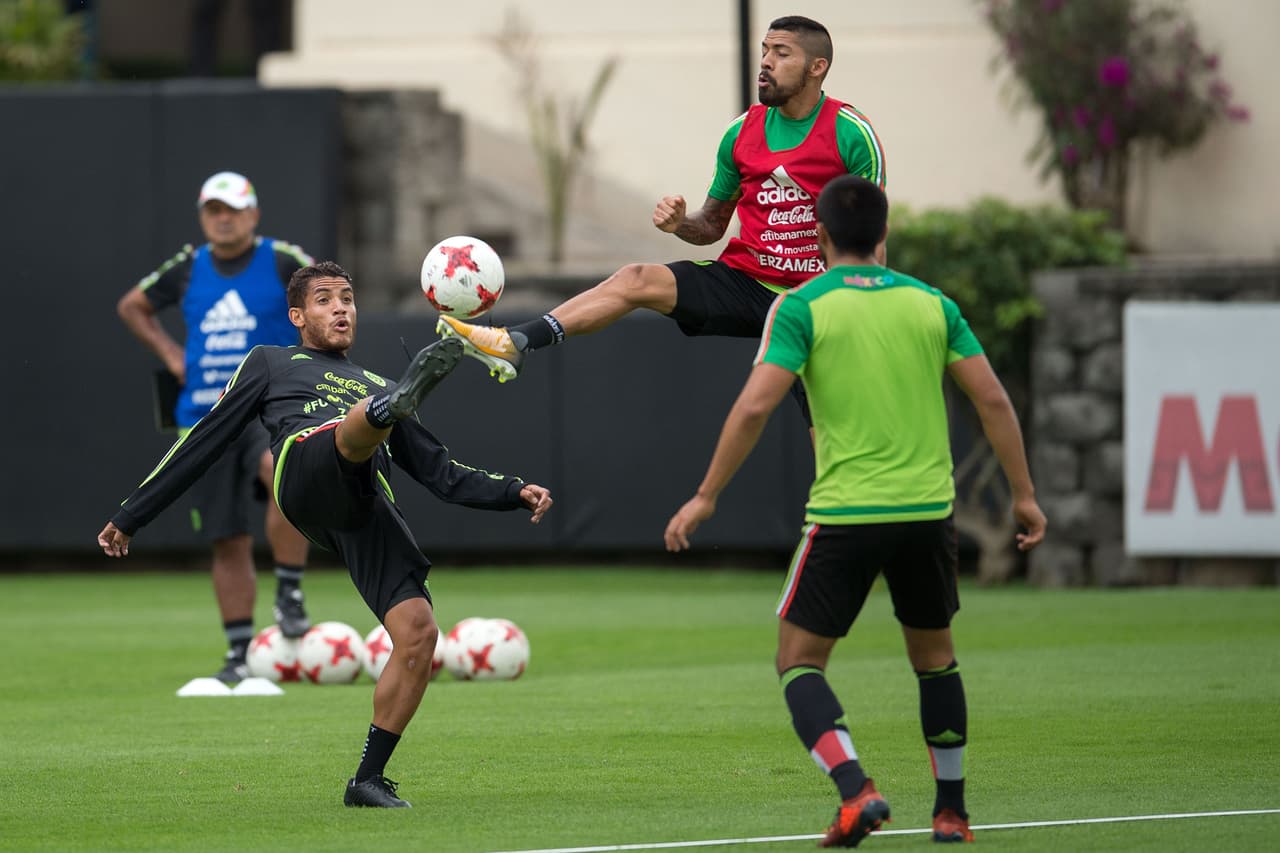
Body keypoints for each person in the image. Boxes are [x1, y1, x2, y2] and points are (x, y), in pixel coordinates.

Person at [664, 176, 1046, 847]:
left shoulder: (801, 306)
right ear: (884, 234)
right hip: (929, 513)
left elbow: (755, 406)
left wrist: (705, 495)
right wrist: (1023, 494)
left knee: (799, 661)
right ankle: (952, 812)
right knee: (936, 660)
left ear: (820, 235)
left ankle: (856, 790)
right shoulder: (933, 304)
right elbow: (992, 402)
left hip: (847, 513)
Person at [99, 261, 554, 808]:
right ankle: (379, 418)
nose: (340, 307)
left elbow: (442, 474)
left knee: (419, 633)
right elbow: (205, 440)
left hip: (363, 503)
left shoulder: (379, 380)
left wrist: (513, 490)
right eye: (324, 300)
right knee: (352, 428)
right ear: (297, 316)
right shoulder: (271, 362)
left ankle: (367, 780)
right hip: (304, 468)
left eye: (347, 298)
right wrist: (131, 514)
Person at [436, 15, 885, 421]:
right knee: (636, 279)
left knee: (830, 436)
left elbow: (873, 240)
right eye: (764, 50)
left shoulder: (851, 132)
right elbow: (711, 226)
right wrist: (680, 225)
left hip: (816, 298)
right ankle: (515, 342)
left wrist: (863, 310)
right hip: (746, 283)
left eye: (780, 53)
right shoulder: (741, 131)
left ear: (816, 67)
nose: (765, 62)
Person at [116, 170, 314, 684]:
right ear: (204, 217)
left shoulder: (281, 259)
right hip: (205, 417)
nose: (222, 219)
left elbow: (326, 295)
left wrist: (310, 366)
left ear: (253, 214)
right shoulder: (188, 266)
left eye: (232, 209)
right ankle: (238, 656)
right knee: (227, 539)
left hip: (270, 407)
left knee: (281, 473)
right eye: (213, 210)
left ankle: (289, 588)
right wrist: (169, 352)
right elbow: (133, 306)